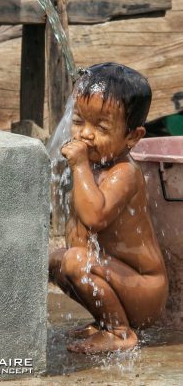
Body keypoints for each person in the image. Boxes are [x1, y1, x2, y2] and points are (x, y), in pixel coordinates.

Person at [49, 62, 168, 354]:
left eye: (101, 127)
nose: (85, 135)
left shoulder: (124, 173)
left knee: (77, 261)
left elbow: (94, 217)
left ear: (133, 137)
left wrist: (77, 165)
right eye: (78, 121)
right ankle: (105, 321)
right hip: (119, 279)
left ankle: (119, 332)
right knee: (55, 261)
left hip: (143, 288)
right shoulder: (94, 165)